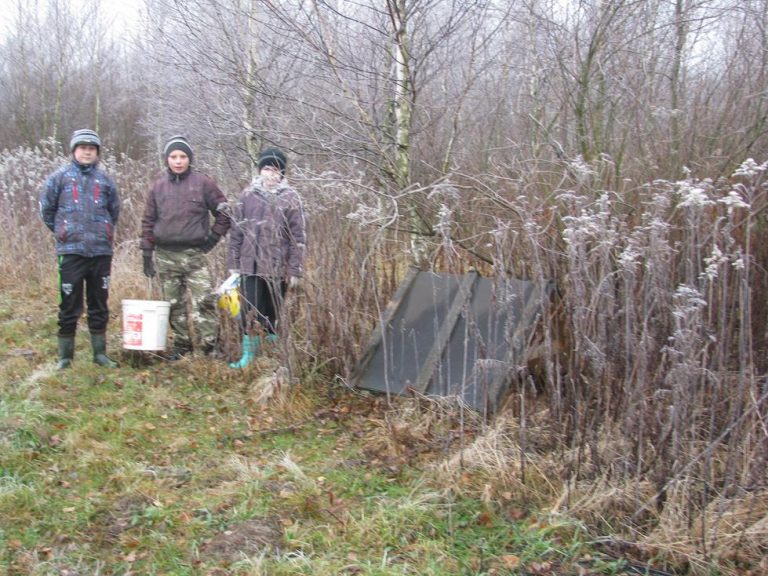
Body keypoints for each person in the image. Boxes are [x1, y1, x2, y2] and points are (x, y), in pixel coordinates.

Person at [141, 135, 231, 359]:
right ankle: (182, 346)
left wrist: (212, 239)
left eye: (182, 156)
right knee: (173, 304)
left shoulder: (204, 183)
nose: (178, 161)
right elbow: (148, 221)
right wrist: (146, 254)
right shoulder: (157, 187)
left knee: (205, 301)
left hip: (194, 255)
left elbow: (225, 213)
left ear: (189, 159)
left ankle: (210, 347)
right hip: (165, 256)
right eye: (173, 156)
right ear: (167, 159)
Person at [40, 129, 121, 369]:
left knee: (99, 302)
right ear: (74, 150)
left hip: (100, 252)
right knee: (69, 303)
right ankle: (65, 357)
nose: (87, 151)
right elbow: (47, 211)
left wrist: (103, 231)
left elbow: (114, 211)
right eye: (83, 147)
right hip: (71, 252)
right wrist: (64, 232)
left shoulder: (106, 180)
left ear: (97, 153)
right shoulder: (59, 178)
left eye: (92, 148)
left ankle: (100, 354)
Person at [228, 147, 306, 369]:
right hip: (249, 266)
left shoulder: (291, 198)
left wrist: (294, 270)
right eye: (266, 169)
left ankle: (271, 352)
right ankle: (248, 356)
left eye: (275, 170)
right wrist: (234, 265)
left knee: (272, 311)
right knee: (248, 310)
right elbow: (236, 233)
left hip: (277, 268)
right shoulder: (247, 195)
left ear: (282, 174)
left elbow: (298, 237)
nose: (270, 175)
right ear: (259, 171)